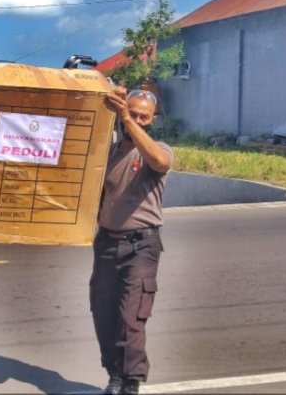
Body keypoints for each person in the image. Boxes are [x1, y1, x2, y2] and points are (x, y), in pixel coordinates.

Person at [91, 87, 173, 395]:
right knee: (104, 313)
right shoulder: (108, 153)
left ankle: (131, 382)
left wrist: (126, 117)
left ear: (152, 120)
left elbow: (161, 162)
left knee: (130, 318)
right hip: (106, 245)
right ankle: (114, 374)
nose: (137, 119)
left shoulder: (156, 149)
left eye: (144, 116)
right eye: (132, 112)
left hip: (141, 246)